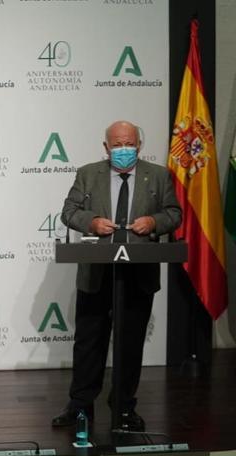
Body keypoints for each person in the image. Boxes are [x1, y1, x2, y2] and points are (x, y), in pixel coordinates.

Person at [54, 120, 181, 431]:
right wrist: (92, 222)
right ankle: (81, 406)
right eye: (117, 145)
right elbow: (68, 211)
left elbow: (174, 214)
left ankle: (123, 406)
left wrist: (153, 222)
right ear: (106, 148)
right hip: (97, 273)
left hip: (138, 274)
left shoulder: (159, 175)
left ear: (139, 146)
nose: (124, 150)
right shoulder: (87, 174)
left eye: (130, 144)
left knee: (130, 342)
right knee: (89, 342)